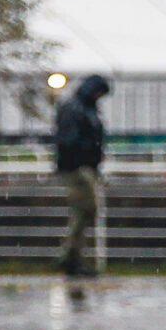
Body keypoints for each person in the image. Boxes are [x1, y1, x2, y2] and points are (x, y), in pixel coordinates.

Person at [55, 75, 111, 279]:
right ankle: (71, 258)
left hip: (82, 166)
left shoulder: (78, 107)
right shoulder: (77, 109)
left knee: (84, 212)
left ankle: (72, 257)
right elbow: (70, 140)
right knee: (84, 210)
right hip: (79, 168)